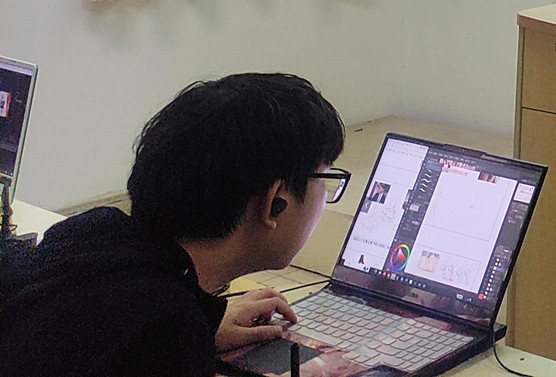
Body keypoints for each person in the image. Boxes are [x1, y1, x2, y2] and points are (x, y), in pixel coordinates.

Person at [0, 72, 348, 377]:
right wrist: (186, 334)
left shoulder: (91, 232)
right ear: (275, 203)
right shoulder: (166, 328)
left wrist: (205, 319)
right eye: (326, 178)